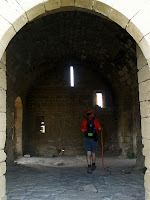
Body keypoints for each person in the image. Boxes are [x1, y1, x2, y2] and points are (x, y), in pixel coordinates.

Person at [81, 110, 102, 174]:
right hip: (94, 139)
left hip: (87, 138)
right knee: (93, 152)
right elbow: (99, 128)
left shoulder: (85, 120)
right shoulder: (95, 120)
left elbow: (82, 129)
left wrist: (86, 132)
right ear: (92, 114)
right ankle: (93, 165)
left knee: (88, 152)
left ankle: (89, 166)